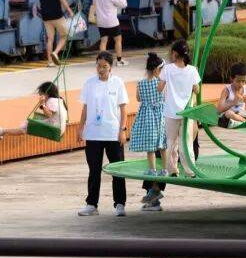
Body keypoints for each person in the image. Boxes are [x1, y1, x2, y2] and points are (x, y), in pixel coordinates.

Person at [77, 52, 128, 217]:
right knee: (94, 170)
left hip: (113, 133)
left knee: (117, 170)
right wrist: (80, 128)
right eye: (98, 66)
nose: (101, 69)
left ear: (110, 67)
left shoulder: (117, 82)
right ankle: (92, 204)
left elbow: (123, 109)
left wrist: (122, 130)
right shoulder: (89, 83)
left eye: (104, 66)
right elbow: (85, 108)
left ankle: (120, 204)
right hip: (93, 134)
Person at [158, 39, 201, 178]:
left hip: (171, 111)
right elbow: (197, 90)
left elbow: (159, 88)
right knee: (186, 143)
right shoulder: (192, 70)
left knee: (170, 142)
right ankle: (190, 171)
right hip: (187, 112)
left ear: (174, 53)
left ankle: (172, 169)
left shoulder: (167, 69)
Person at [129, 53, 167, 210]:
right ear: (157, 70)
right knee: (163, 144)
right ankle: (165, 169)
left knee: (150, 147)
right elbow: (164, 95)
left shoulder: (141, 83)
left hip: (147, 117)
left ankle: (152, 170)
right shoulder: (161, 83)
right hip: (160, 115)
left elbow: (138, 98)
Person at [0, 81, 65, 140]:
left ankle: (2, 131)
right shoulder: (58, 100)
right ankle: (2, 131)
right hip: (58, 128)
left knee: (26, 127)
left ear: (46, 93)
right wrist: (42, 105)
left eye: (41, 93)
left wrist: (42, 104)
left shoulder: (51, 101)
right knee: (27, 125)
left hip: (54, 129)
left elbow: (49, 114)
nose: (39, 95)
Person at [39, 0, 74, 67]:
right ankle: (55, 52)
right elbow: (62, 0)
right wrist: (70, 11)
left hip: (46, 17)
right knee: (65, 35)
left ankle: (50, 62)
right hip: (57, 15)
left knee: (50, 39)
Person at [92, 0, 128, 66]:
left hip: (101, 22)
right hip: (112, 22)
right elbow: (123, 5)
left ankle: (102, 61)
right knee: (118, 40)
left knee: (103, 41)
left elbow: (94, 4)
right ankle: (119, 60)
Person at [217, 63, 246, 127]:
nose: (241, 84)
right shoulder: (226, 90)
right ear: (231, 79)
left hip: (241, 115)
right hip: (228, 117)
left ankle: (244, 121)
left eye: (243, 81)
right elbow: (219, 110)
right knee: (229, 113)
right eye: (238, 81)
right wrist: (234, 102)